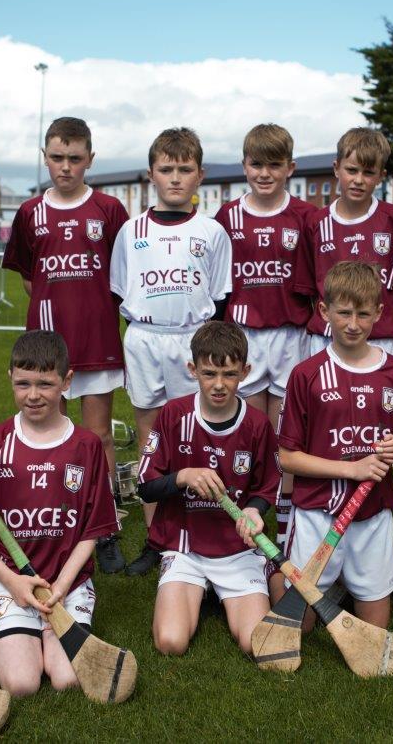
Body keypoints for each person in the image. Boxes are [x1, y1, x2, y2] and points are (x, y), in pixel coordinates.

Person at [0, 330, 119, 696]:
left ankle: (52, 626)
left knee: (67, 679)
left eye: (45, 384)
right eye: (23, 383)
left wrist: (60, 586)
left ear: (67, 381)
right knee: (22, 684)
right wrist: (12, 582)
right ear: (10, 378)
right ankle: (24, 625)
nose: (33, 395)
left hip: (66, 582)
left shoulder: (87, 446)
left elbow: (93, 529)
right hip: (8, 581)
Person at [2, 116, 130, 574]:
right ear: (45, 158)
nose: (66, 166)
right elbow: (27, 276)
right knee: (46, 437)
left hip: (97, 339)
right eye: (57, 157)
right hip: (48, 344)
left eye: (75, 159)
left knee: (97, 437)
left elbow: (121, 276)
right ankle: (56, 520)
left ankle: (107, 525)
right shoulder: (29, 213)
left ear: (90, 160)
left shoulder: (110, 210)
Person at [110, 127, 232, 576]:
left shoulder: (212, 232)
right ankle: (157, 540)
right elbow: (122, 292)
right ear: (151, 175)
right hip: (144, 337)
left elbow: (220, 299)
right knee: (151, 441)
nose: (175, 178)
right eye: (166, 169)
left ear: (200, 175)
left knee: (192, 436)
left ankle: (192, 534)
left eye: (185, 170)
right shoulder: (130, 231)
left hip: (192, 340)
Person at [277, 261, 393, 625]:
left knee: (376, 627)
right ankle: (278, 575)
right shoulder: (306, 374)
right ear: (324, 311)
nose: (353, 324)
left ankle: (340, 583)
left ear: (379, 314)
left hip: (371, 514)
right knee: (300, 627)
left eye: (363, 314)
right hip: (317, 512)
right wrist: (350, 469)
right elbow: (288, 457)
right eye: (343, 313)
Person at [137, 322, 280, 656]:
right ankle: (194, 589)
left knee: (254, 644)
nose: (219, 385)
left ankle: (245, 581)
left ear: (245, 372)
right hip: (185, 547)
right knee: (171, 643)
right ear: (192, 370)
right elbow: (146, 486)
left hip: (237, 548)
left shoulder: (257, 425)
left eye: (229, 374)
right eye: (209, 373)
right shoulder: (174, 414)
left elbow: (268, 487)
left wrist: (254, 510)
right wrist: (183, 476)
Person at [215, 123, 316, 592]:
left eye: (275, 164)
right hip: (246, 337)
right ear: (244, 166)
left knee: (286, 442)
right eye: (257, 163)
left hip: (292, 336)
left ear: (290, 168)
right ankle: (247, 534)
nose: (265, 172)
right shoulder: (226, 217)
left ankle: (285, 535)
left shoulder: (307, 217)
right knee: (250, 437)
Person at [295, 127, 393, 357]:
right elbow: (307, 289)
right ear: (336, 168)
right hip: (326, 339)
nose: (358, 180)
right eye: (351, 170)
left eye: (368, 172)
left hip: (380, 340)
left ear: (381, 176)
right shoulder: (316, 223)